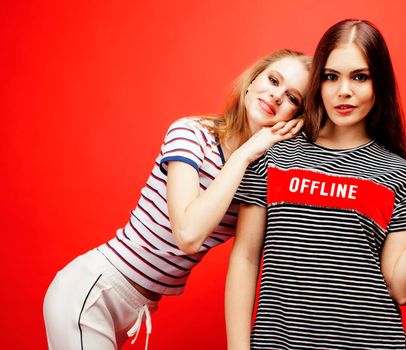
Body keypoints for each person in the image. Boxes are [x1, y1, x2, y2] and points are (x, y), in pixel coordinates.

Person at [43, 49, 311, 350]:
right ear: (251, 82)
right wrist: (246, 152)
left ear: (297, 117)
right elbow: (188, 234)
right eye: (273, 80)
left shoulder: (261, 175)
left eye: (292, 98)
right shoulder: (192, 134)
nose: (276, 96)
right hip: (93, 291)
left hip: (134, 307)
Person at [225, 19, 406, 349]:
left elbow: (401, 288)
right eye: (331, 76)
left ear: (380, 84)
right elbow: (245, 257)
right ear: (318, 81)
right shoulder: (275, 153)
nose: (343, 90)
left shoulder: (398, 173)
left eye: (359, 77)